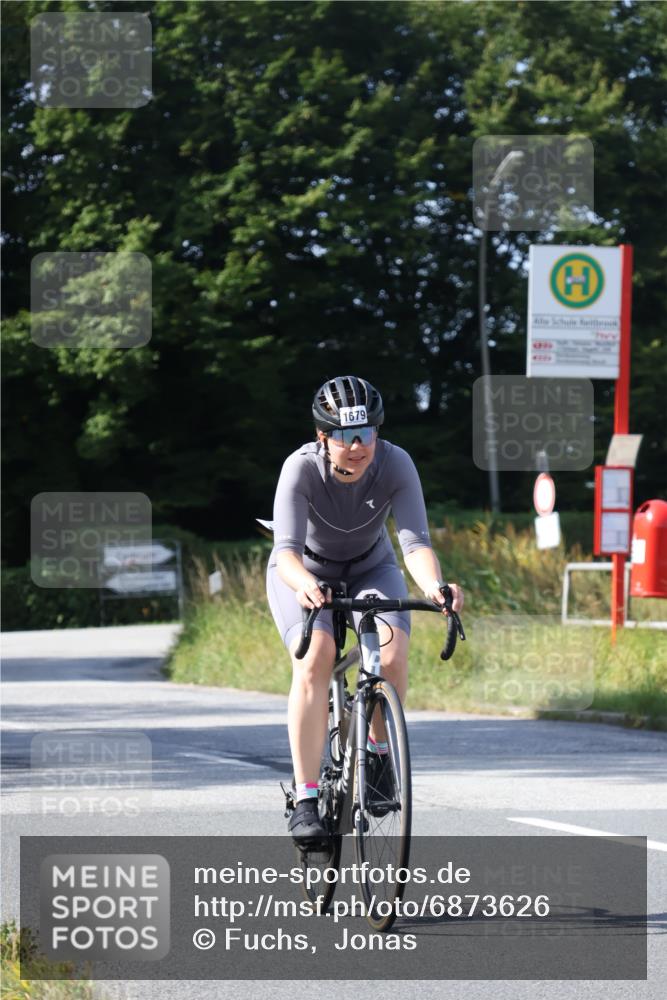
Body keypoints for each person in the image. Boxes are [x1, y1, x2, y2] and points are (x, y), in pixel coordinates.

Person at [265, 375, 464, 842]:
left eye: (366, 434)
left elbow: (414, 543)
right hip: (305, 570)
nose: (357, 447)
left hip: (371, 567)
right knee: (316, 656)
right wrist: (307, 585)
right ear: (323, 436)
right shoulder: (300, 469)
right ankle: (307, 796)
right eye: (345, 436)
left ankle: (376, 752)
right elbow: (287, 551)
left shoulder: (396, 464)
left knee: (391, 657)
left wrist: (436, 586)